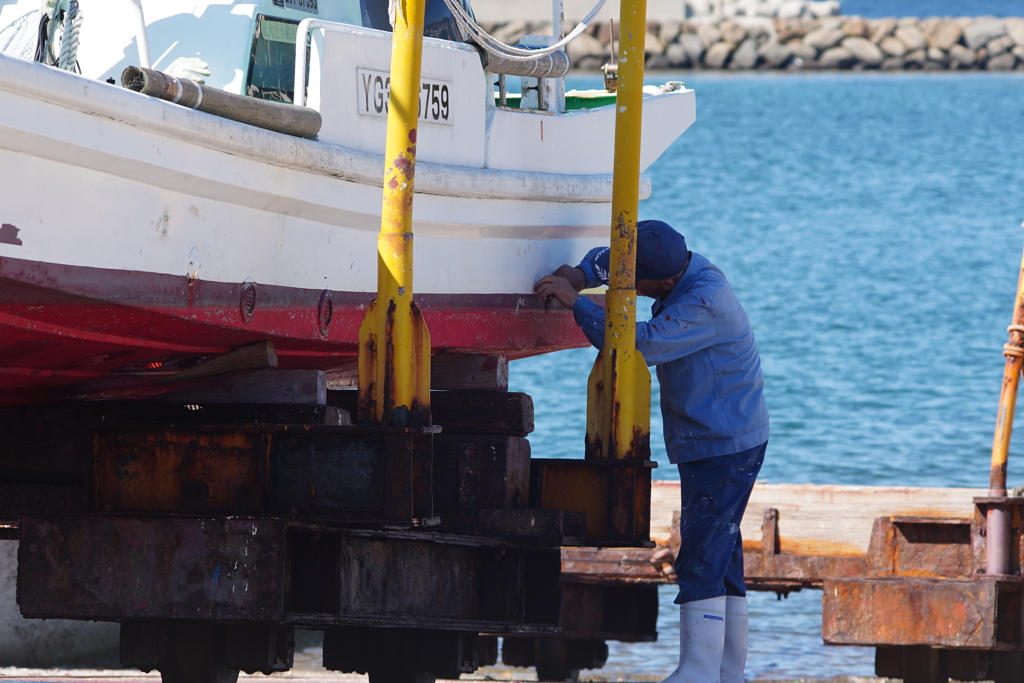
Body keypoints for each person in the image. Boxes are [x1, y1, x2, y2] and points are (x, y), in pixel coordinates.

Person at [534, 220, 768, 683]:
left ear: (661, 284)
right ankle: (727, 673)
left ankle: (698, 670)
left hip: (724, 447)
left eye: (631, 282)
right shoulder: (677, 266)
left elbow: (635, 344)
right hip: (717, 438)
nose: (624, 285)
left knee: (701, 553)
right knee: (722, 551)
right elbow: (608, 259)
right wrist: (581, 274)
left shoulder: (705, 303)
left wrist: (576, 304)